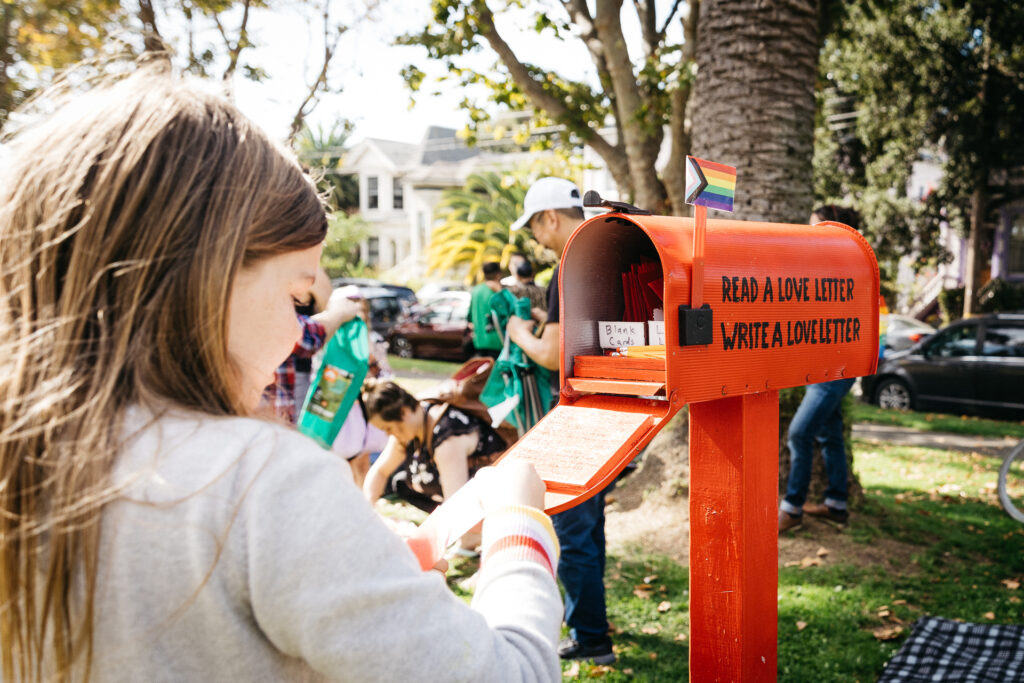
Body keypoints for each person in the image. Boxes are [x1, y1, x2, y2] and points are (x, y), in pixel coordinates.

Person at [0, 70, 562, 681]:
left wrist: (352, 576)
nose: (299, 335)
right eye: (298, 298)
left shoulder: (27, 459)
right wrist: (518, 527)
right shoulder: (264, 480)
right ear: (206, 277)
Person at [505, 177, 616, 666]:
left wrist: (518, 332)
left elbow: (551, 355)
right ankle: (593, 623)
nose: (535, 237)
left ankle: (591, 638)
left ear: (550, 217)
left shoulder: (567, 264)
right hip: (612, 407)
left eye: (534, 226)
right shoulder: (604, 258)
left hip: (574, 414)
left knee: (571, 527)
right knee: (591, 525)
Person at [778, 205, 862, 533]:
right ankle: (836, 504)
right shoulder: (826, 262)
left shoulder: (848, 265)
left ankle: (792, 508)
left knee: (799, 433)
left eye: (816, 227)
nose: (809, 233)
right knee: (830, 433)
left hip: (836, 369)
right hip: (822, 367)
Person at [361, 380, 509, 552]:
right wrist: (367, 515)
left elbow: (456, 503)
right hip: (455, 495)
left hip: (494, 494)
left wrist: (457, 539)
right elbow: (380, 471)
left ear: (404, 412)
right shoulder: (412, 426)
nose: (389, 434)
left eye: (388, 428)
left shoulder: (447, 438)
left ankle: (475, 535)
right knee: (400, 483)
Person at [469, 261, 504, 358]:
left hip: (479, 340)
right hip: (497, 340)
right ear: (498, 274)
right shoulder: (497, 291)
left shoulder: (476, 290)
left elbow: (470, 316)